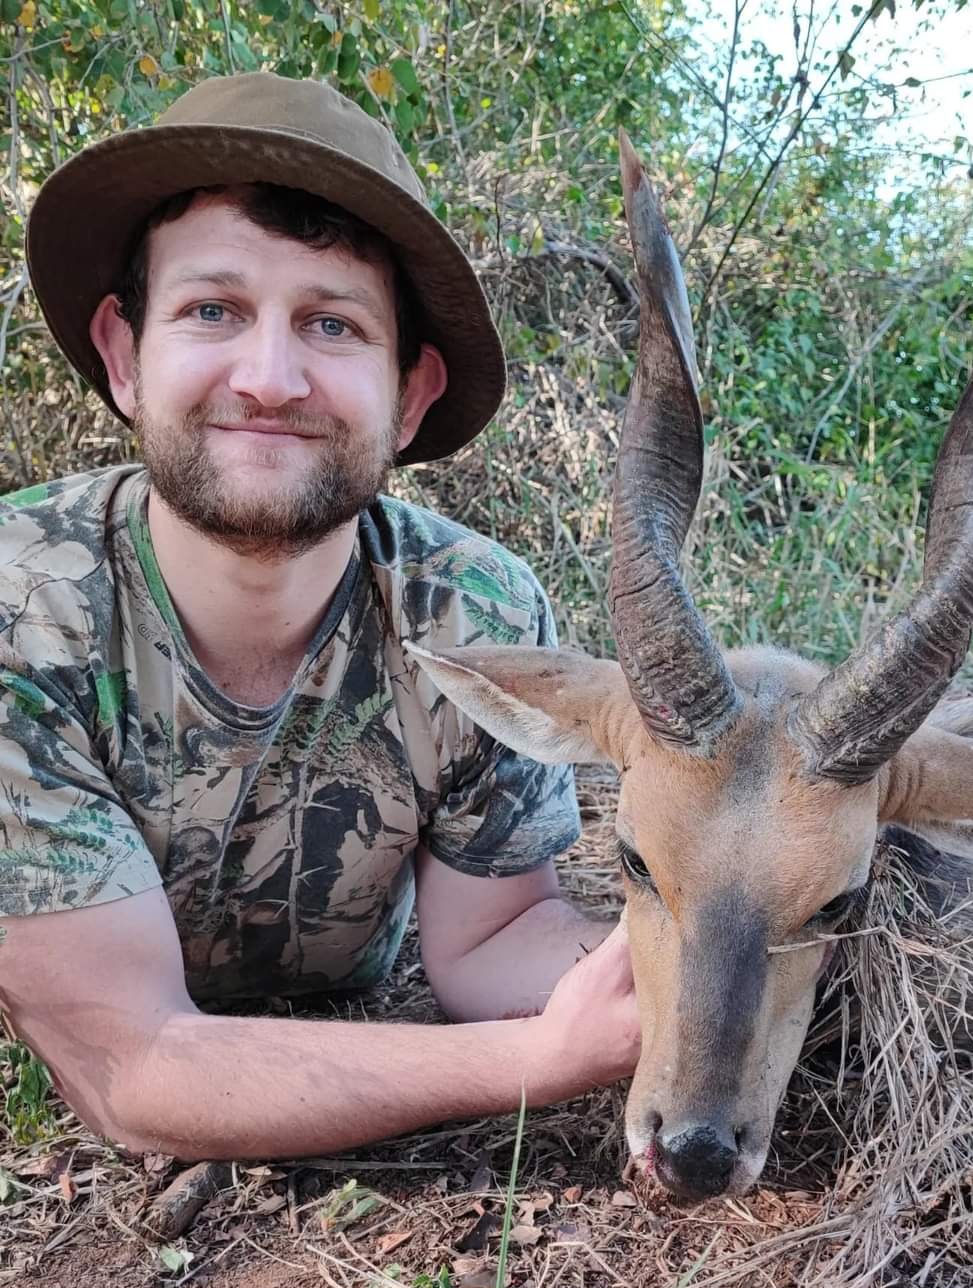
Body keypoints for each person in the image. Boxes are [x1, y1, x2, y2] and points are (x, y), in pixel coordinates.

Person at [0, 72, 639, 1161]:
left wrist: (704, 965)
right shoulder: (23, 607)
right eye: (213, 310)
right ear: (122, 355)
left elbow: (495, 943)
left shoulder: (472, 611)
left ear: (414, 393)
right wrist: (537, 1065)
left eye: (332, 325)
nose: (269, 378)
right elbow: (135, 1071)